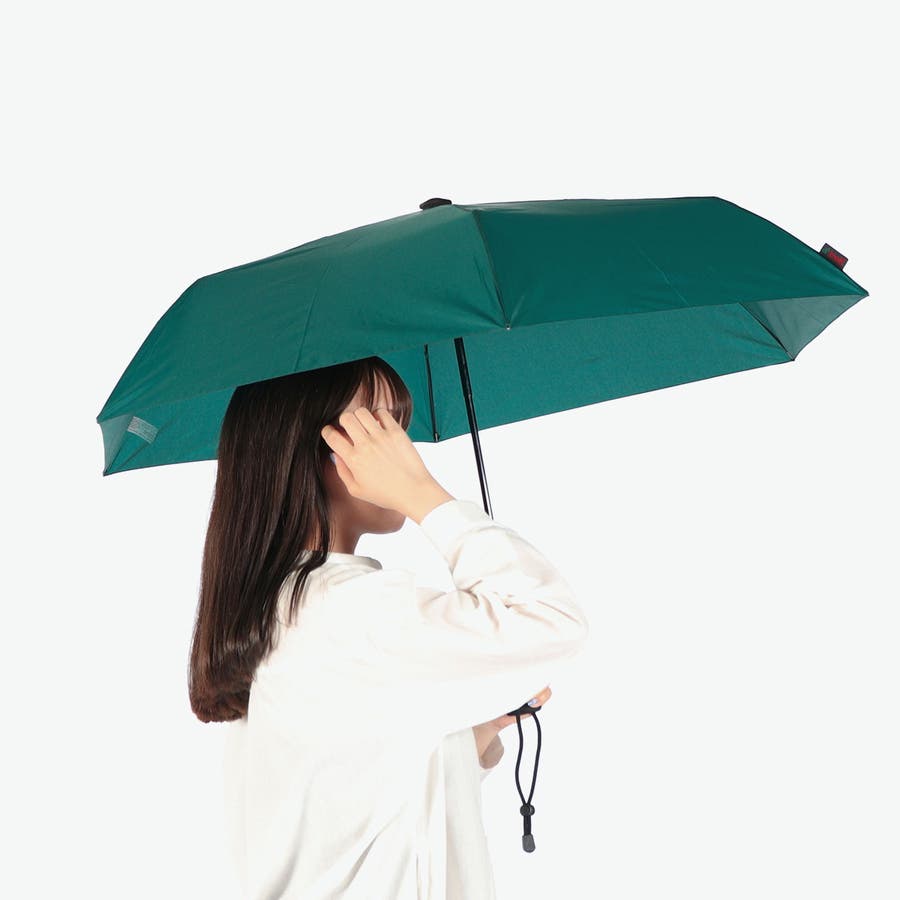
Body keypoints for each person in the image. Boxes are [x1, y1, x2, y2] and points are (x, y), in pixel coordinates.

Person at [188, 356, 589, 899]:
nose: (403, 450)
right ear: (313, 452)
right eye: (380, 428)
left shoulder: (292, 606)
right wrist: (423, 495)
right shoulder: (343, 609)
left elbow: (351, 802)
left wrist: (470, 734)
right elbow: (551, 618)